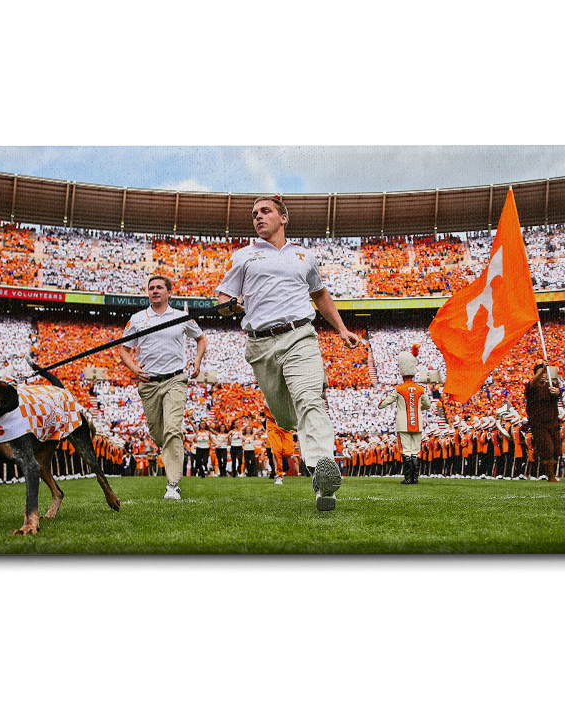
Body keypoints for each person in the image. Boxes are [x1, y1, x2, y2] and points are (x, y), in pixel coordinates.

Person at [216, 195, 359, 512]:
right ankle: (317, 466)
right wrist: (231, 305)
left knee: (310, 398)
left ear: (283, 218)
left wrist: (341, 328)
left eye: (265, 211)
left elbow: (319, 294)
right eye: (254, 214)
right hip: (261, 345)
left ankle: (323, 470)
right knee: (284, 416)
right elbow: (224, 297)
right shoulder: (243, 258)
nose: (258, 217)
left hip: (300, 336)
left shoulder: (304, 257)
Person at [117, 274, 207, 502]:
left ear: (169, 292)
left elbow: (201, 339)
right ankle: (169, 454)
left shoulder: (181, 317)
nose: (155, 291)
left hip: (175, 379)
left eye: (159, 287)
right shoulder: (137, 319)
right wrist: (134, 369)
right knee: (159, 435)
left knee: (172, 430)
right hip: (149, 384)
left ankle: (173, 485)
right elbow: (124, 350)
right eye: (151, 288)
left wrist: (196, 361)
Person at [378, 345, 431, 485]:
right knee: (415, 451)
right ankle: (415, 478)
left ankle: (408, 478)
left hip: (403, 423)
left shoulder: (399, 389)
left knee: (406, 450)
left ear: (402, 374)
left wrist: (380, 404)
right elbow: (428, 405)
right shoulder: (420, 389)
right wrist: (419, 407)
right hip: (418, 422)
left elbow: (386, 402)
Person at [524, 362, 563, 482]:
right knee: (548, 449)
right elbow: (533, 382)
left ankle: (537, 446)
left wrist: (557, 392)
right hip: (539, 423)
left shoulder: (552, 385)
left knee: (557, 450)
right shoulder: (531, 387)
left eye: (545, 373)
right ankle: (551, 476)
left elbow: (559, 394)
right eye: (540, 373)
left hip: (553, 422)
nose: (542, 375)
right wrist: (543, 369)